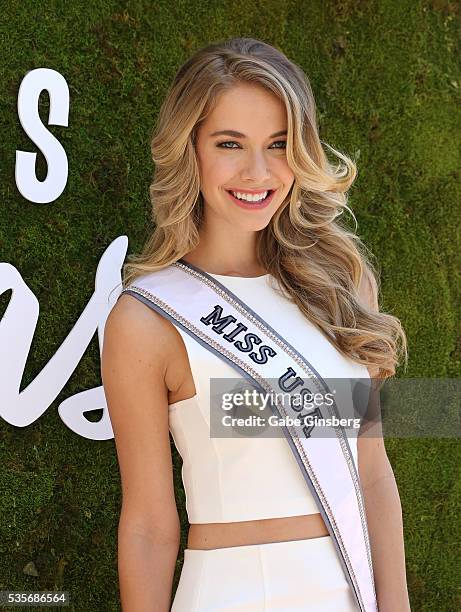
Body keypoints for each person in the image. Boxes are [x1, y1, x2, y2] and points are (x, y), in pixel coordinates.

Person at [101, 37, 411, 611]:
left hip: (351, 595)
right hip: (231, 592)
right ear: (188, 149)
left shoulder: (341, 286)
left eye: (278, 144)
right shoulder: (146, 318)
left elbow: (372, 475)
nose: (258, 171)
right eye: (229, 144)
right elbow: (148, 521)